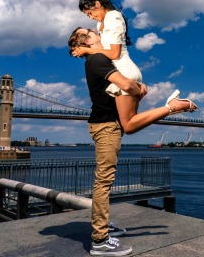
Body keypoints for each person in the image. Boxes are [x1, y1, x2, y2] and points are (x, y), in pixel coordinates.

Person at [68, 28, 196, 256]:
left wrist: (138, 92)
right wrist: (136, 88)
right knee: (103, 182)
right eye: (91, 32)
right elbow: (127, 87)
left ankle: (104, 228)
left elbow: (128, 102)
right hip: (106, 126)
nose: (97, 32)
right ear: (87, 40)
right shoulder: (97, 59)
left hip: (111, 124)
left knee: (107, 175)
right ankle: (99, 240)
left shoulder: (99, 59)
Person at [72, 0, 195, 134]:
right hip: (122, 71)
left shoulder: (113, 17)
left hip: (124, 71)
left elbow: (115, 53)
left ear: (97, 4)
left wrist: (86, 50)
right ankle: (170, 107)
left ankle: (172, 106)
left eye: (90, 13)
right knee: (131, 121)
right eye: (87, 15)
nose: (91, 17)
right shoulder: (101, 24)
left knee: (128, 126)